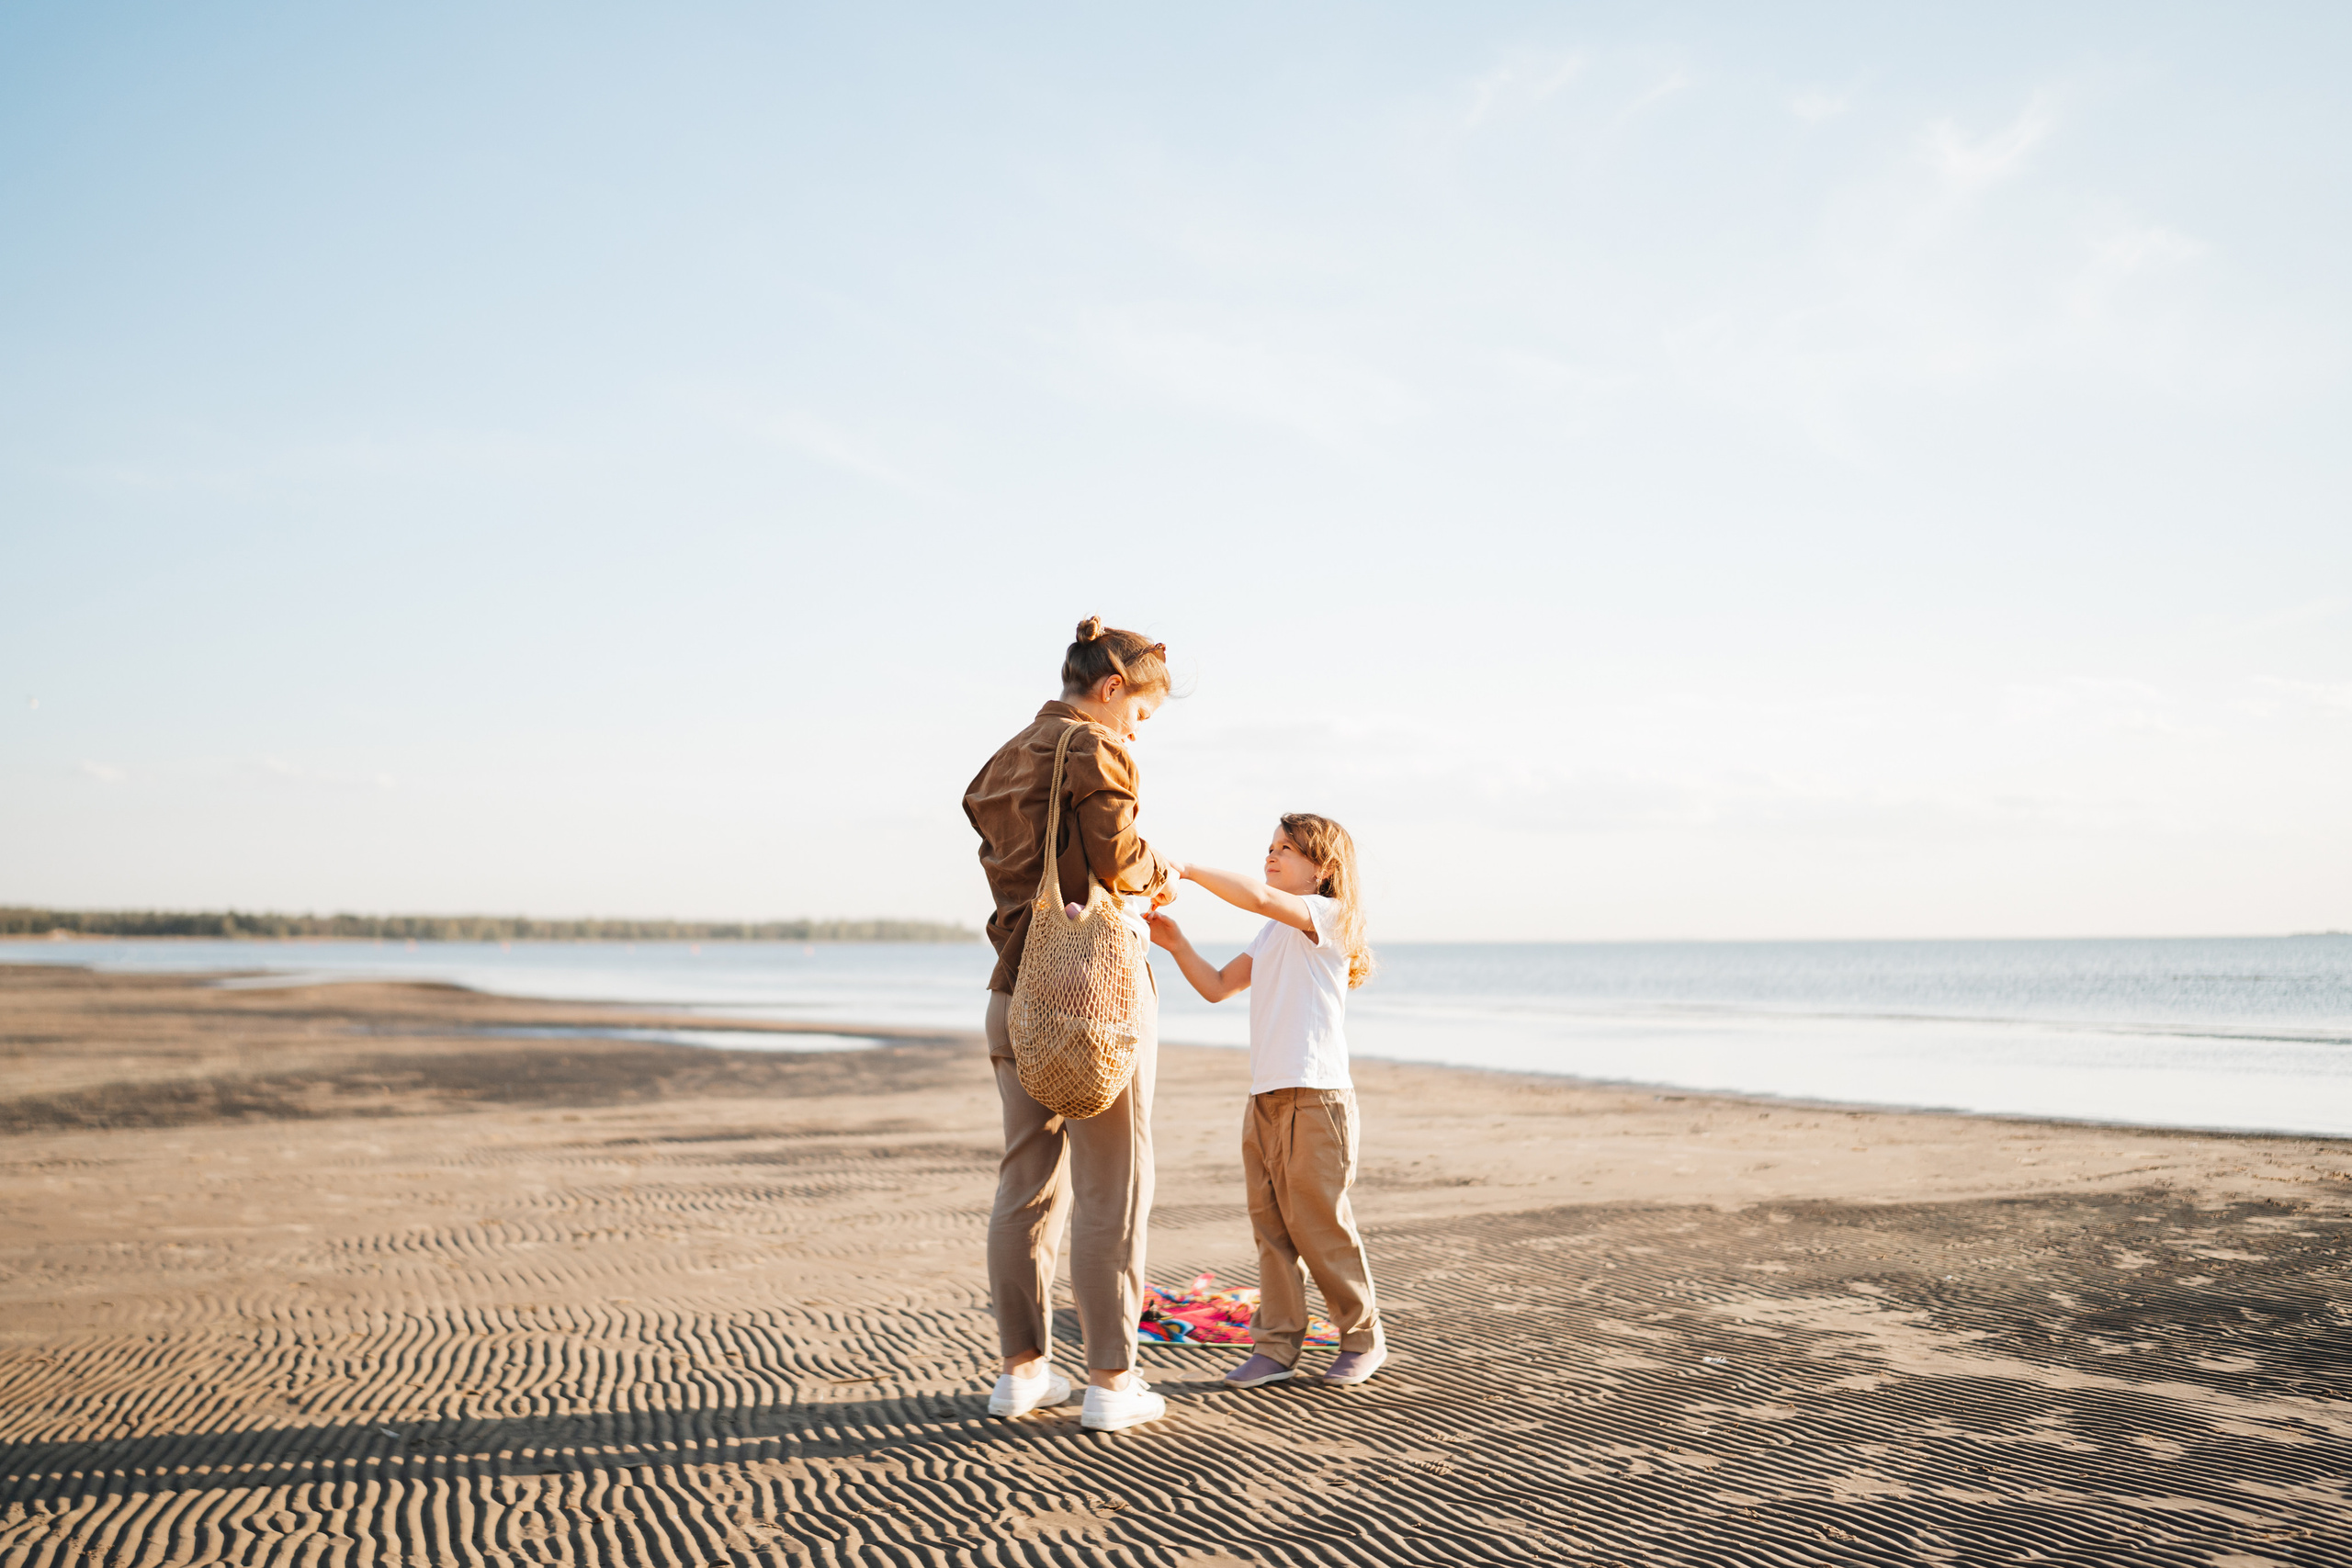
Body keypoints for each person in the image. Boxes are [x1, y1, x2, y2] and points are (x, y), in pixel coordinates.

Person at [962, 616, 1179, 1432]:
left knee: (1024, 1184)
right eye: (1141, 713)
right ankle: (1111, 1383)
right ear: (1113, 688)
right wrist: (1165, 872)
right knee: (1112, 1190)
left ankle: (1021, 1373)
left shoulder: (1004, 754)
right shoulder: (1095, 745)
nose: (1137, 728)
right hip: (1093, 998)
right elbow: (1121, 858)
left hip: (1014, 988)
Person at [1147, 813, 1387, 1387]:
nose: (1271, 856)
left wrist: (1188, 869)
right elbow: (1216, 987)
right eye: (1270, 847)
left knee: (1321, 1224)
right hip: (1266, 1096)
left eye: (1286, 849)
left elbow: (1255, 897)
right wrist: (1177, 943)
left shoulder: (1325, 917)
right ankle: (1277, 1346)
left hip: (1317, 1095)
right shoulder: (1273, 931)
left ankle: (1362, 1337)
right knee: (1271, 1226)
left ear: (1322, 869)